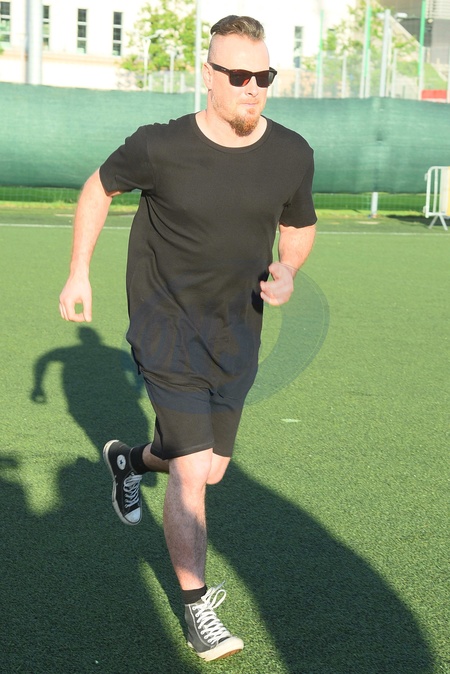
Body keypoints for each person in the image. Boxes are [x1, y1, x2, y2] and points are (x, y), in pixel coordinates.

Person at [59, 15, 317, 662]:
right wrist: (79, 271)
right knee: (195, 469)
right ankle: (198, 608)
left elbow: (299, 224)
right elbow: (98, 187)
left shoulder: (292, 153)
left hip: (237, 332)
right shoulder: (160, 146)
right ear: (208, 75)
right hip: (163, 323)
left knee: (208, 466)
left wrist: (289, 267)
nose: (252, 87)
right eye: (239, 75)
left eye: (264, 75)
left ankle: (130, 459)